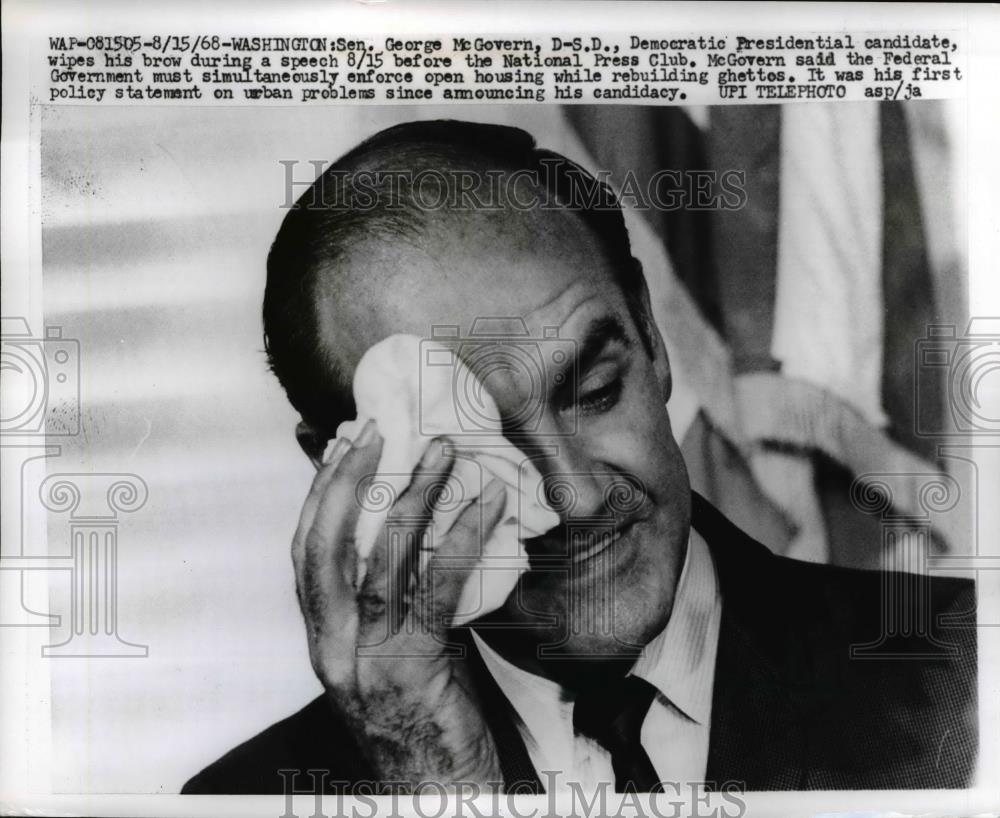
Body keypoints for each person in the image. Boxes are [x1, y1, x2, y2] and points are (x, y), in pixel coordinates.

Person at [182, 120, 976, 795]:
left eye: (595, 391)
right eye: (472, 451)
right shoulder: (241, 801)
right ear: (339, 471)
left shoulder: (967, 676)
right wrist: (434, 782)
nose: (575, 497)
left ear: (651, 337)